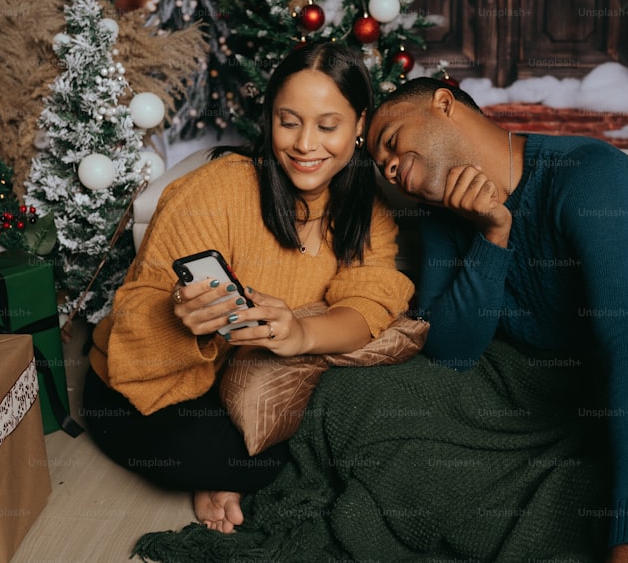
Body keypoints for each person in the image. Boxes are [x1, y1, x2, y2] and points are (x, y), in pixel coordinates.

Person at [366, 77, 628, 563]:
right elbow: (450, 352)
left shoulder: (590, 175)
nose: (390, 167)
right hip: (539, 384)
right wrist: (492, 236)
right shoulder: (441, 213)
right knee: (362, 394)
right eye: (382, 167)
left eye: (391, 143)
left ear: (443, 104)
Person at [83, 43, 414, 534]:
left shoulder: (367, 215)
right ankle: (219, 476)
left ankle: (224, 477)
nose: (305, 145)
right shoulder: (218, 188)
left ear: (360, 125)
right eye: (288, 121)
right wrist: (184, 317)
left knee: (353, 418)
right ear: (269, 118)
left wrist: (301, 334)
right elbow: (138, 307)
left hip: (255, 390)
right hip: (155, 390)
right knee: (212, 451)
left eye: (328, 126)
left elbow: (368, 305)